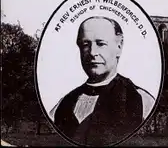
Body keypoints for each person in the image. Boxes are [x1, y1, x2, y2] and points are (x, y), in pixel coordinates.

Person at [49, 16, 156, 146]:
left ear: (119, 46)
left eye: (101, 44)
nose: (93, 52)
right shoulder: (62, 104)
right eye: (85, 45)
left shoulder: (142, 101)